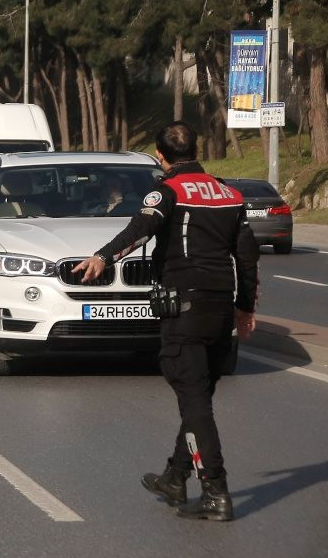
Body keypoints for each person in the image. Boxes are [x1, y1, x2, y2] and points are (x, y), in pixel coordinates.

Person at [72, 121, 258, 522]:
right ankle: (176, 477)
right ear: (196, 149)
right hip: (220, 310)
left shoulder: (167, 191)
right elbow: (247, 255)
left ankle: (216, 490)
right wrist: (245, 308)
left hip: (184, 312)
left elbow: (140, 229)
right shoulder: (229, 193)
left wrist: (103, 257)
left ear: (161, 156)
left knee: (193, 400)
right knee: (199, 398)